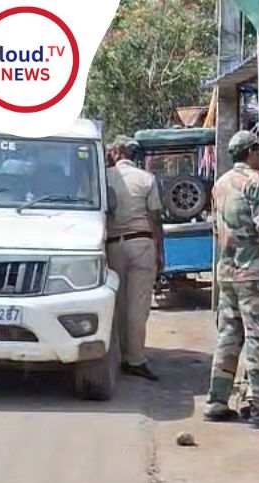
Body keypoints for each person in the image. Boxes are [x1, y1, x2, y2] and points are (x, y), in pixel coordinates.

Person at [204, 131, 259, 429]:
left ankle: (217, 400)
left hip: (227, 273)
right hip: (254, 274)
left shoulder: (221, 184)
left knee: (228, 335)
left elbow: (216, 227)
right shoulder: (255, 183)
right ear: (250, 152)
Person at [106, 135, 165, 381]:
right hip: (141, 242)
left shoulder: (103, 177)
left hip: (112, 245)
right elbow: (155, 217)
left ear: (116, 153)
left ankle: (118, 355)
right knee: (138, 306)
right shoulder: (146, 178)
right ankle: (136, 359)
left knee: (117, 303)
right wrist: (159, 250)